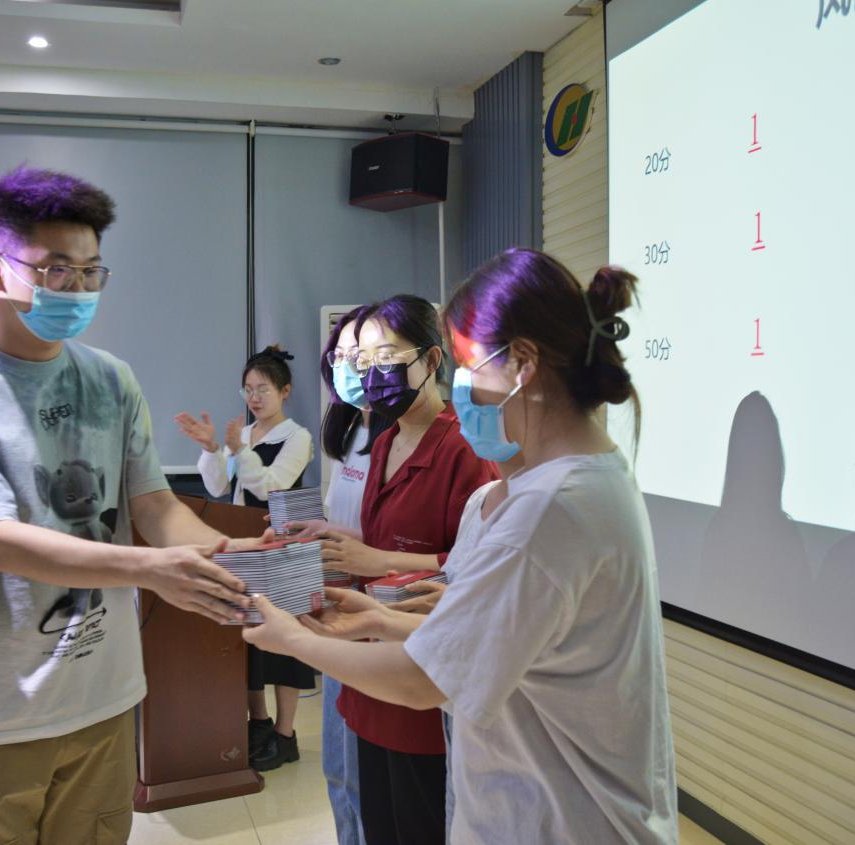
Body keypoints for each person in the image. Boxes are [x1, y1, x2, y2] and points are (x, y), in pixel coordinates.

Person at [245, 249, 679, 844]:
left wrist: (294, 639)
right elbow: (495, 628)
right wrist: (380, 617)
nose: (463, 385)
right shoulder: (559, 486)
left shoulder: (551, 508)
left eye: (472, 365)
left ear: (523, 363)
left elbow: (426, 679)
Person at [0, 165, 256, 845]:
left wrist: (229, 552)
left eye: (91, 272)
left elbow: (153, 505)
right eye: (56, 270)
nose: (78, 289)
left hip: (102, 698)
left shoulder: (110, 378)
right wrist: (152, 571)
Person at [316, 294, 499, 845]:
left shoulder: (465, 449)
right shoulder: (386, 440)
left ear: (433, 359)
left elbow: (474, 566)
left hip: (424, 672)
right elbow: (381, 540)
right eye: (364, 361)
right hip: (374, 666)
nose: (373, 375)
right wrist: (337, 541)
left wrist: (378, 561)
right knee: (378, 821)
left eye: (388, 358)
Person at [175, 345, 315, 770]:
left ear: (285, 391)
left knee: (285, 643)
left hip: (284, 547)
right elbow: (219, 488)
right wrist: (212, 448)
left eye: (263, 389)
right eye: (248, 390)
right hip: (245, 543)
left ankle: (286, 735)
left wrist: (239, 450)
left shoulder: (297, 436)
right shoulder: (245, 436)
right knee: (249, 638)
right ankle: (259, 722)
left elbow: (272, 484)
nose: (254, 398)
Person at [314, 305, 390, 845]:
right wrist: (316, 532)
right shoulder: (348, 432)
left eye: (358, 357)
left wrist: (361, 556)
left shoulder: (396, 437)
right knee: (338, 766)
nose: (347, 367)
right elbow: (346, 519)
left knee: (365, 772)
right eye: (339, 356)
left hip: (379, 613)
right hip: (338, 605)